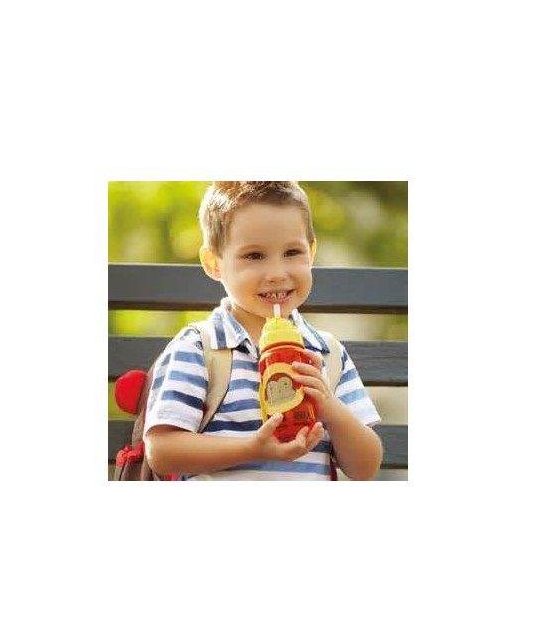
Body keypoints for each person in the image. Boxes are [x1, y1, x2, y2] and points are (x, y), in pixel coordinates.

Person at [144, 181, 383, 480]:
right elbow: (162, 452)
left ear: (311, 252)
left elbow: (365, 468)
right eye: (254, 256)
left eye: (292, 252)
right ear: (214, 263)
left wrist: (331, 408)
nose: (277, 274)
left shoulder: (327, 354)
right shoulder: (200, 348)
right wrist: (252, 449)